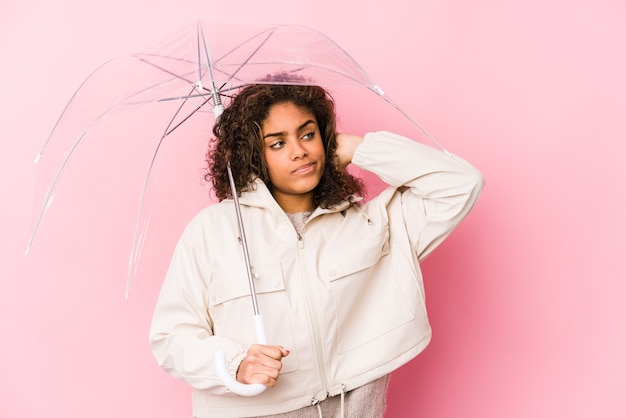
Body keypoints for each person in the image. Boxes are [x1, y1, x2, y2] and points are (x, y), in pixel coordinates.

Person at [149, 79, 484, 418]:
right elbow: (171, 336)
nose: (299, 151)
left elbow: (461, 184)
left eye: (308, 134)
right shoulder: (212, 231)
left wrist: (358, 148)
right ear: (253, 154)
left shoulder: (373, 225)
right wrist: (234, 364)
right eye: (277, 143)